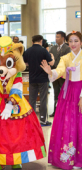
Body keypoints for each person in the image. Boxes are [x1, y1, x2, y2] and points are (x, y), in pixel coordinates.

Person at [0, 36, 47, 169]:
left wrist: (10, 104)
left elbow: (17, 89)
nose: (2, 68)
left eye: (8, 63)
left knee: (16, 134)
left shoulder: (17, 75)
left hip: (15, 105)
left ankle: (16, 160)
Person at [40, 31, 82, 170]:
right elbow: (59, 71)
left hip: (80, 91)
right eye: (71, 41)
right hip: (68, 92)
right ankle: (69, 158)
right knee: (67, 123)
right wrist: (50, 72)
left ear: (81, 42)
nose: (73, 44)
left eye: (76, 41)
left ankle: (79, 159)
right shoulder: (65, 57)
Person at [23, 35, 54, 126]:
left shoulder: (28, 51)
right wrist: (52, 56)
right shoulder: (44, 50)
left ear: (32, 41)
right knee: (43, 99)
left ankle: (31, 120)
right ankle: (43, 120)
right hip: (43, 79)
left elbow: (25, 63)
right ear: (41, 41)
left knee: (32, 100)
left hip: (32, 78)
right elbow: (51, 63)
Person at [49, 31, 71, 117]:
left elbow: (67, 61)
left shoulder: (67, 48)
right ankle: (56, 111)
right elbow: (50, 58)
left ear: (63, 38)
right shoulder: (53, 48)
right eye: (56, 37)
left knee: (64, 93)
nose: (56, 38)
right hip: (54, 74)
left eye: (58, 37)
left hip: (63, 74)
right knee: (56, 92)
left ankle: (64, 110)